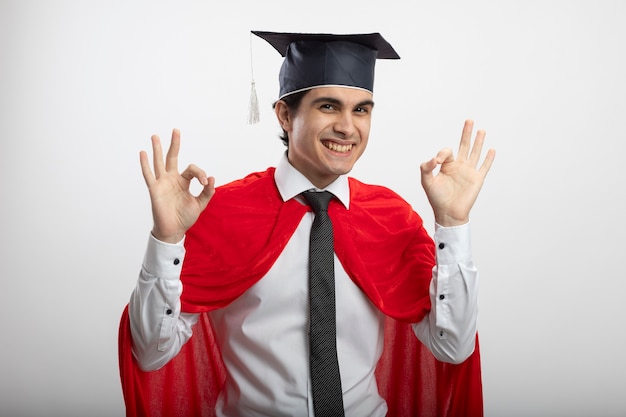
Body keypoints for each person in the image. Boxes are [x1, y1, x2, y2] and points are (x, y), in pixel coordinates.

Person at [118, 30, 495, 417]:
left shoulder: (390, 218)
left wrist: (453, 223)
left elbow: (453, 346)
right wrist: (166, 239)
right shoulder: (222, 212)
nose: (348, 127)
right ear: (284, 113)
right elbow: (149, 353)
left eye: (361, 109)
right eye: (329, 106)